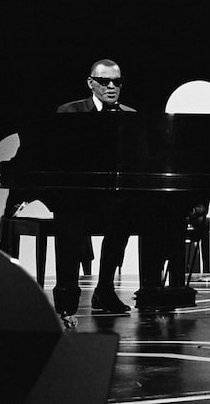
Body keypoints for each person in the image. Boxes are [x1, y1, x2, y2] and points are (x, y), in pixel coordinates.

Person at [55, 59, 136, 324]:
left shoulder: (131, 116)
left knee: (128, 217)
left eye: (117, 82)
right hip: (77, 197)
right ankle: (67, 300)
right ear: (91, 83)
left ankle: (105, 290)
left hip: (114, 198)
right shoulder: (70, 113)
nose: (111, 87)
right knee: (69, 216)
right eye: (104, 82)